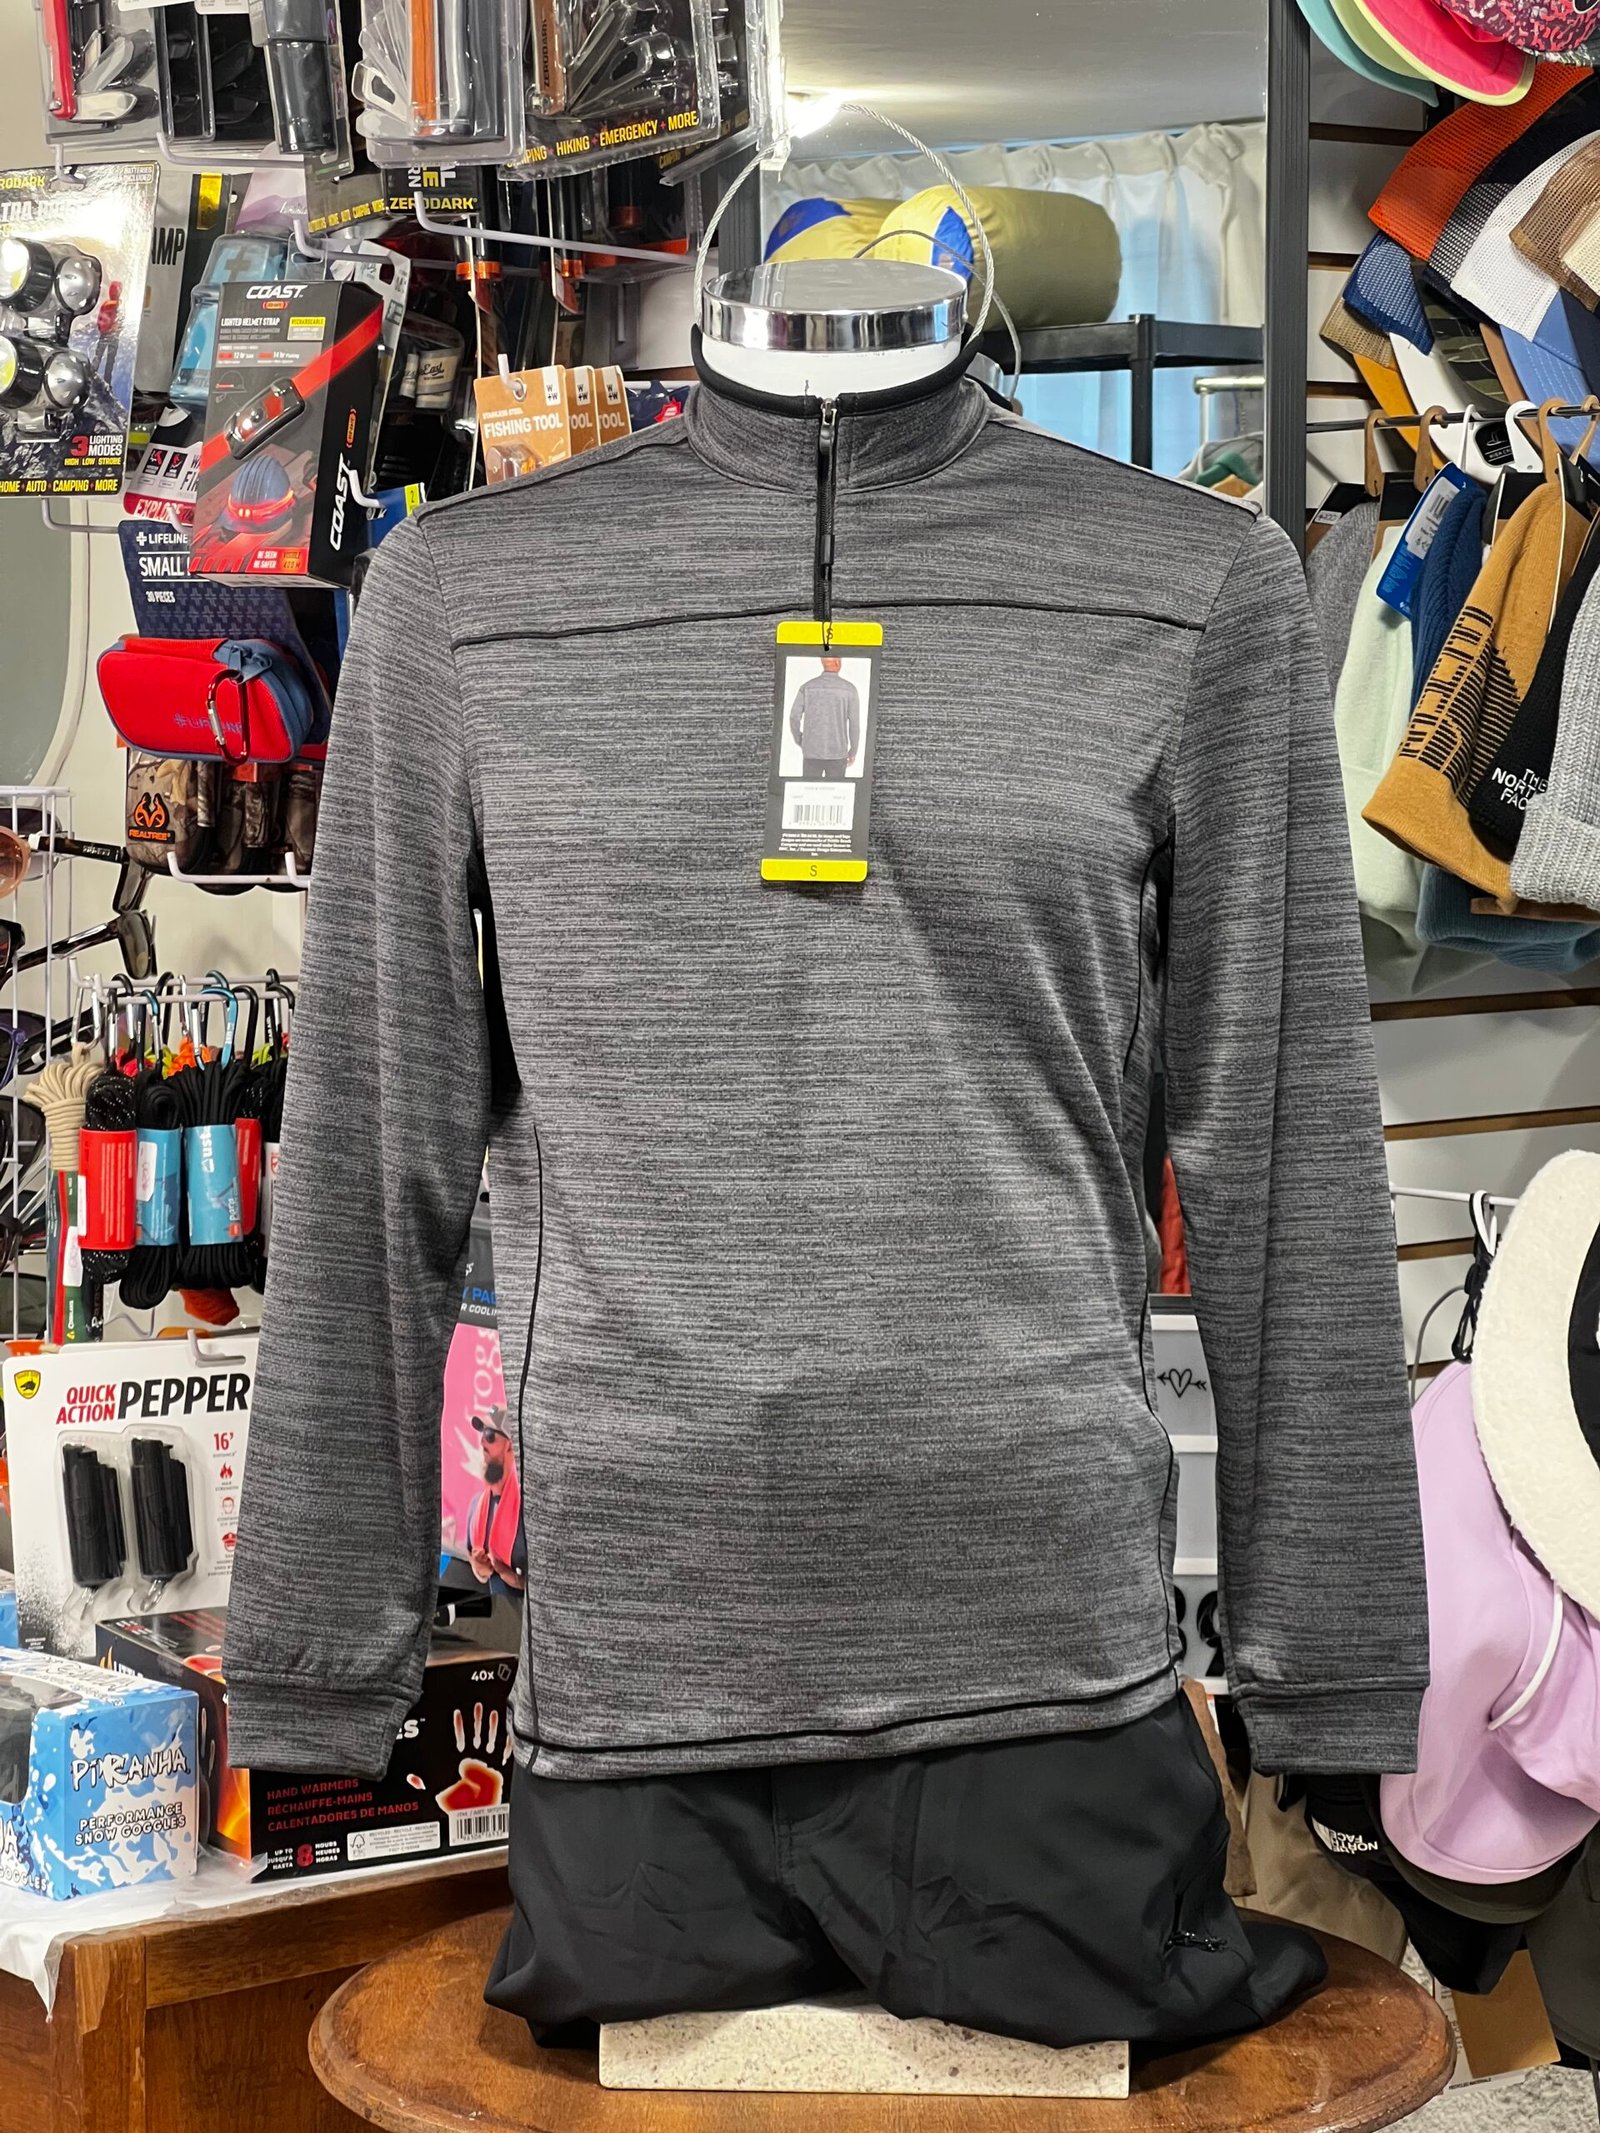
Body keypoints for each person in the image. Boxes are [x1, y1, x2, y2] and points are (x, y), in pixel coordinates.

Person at [466, 1408, 525, 1596]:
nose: (482, 1443)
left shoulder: (530, 1506)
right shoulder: (476, 1504)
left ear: (509, 1445)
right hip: (496, 1611)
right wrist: (479, 1569)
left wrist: (517, 1581)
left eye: (490, 1436)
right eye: (482, 1435)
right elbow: (474, 1561)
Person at [788, 655, 861, 780]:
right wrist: (853, 751)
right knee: (836, 791)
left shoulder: (807, 687)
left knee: (809, 790)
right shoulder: (850, 689)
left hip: (812, 751)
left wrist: (800, 740)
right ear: (838, 663)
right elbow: (854, 724)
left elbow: (794, 716)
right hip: (838, 752)